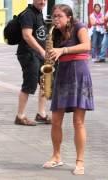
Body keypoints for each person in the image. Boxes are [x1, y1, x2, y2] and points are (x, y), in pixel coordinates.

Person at [42, 4, 93, 176]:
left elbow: (87, 46)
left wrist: (63, 50)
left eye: (59, 16)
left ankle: (80, 162)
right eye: (54, 16)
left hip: (79, 74)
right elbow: (53, 55)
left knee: (78, 121)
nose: (56, 19)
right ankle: (56, 156)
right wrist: (49, 56)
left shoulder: (79, 27)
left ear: (68, 17)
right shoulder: (54, 33)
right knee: (56, 120)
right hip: (62, 75)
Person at [14, 0, 51, 126]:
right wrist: (41, 51)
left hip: (39, 54)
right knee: (29, 84)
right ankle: (20, 116)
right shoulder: (28, 14)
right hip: (28, 54)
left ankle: (41, 114)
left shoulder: (39, 13)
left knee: (45, 82)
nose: (43, 2)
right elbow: (27, 36)